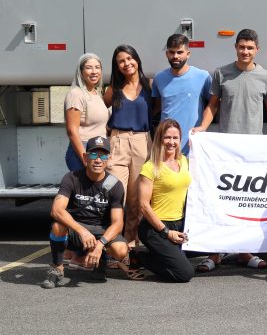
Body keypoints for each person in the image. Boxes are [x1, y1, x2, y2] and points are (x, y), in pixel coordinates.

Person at [193, 28, 267, 272]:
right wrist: (202, 127)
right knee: (222, 200)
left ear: (257, 50)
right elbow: (212, 106)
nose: (245, 51)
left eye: (250, 48)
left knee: (247, 203)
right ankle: (215, 253)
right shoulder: (221, 73)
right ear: (235, 47)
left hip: (253, 151)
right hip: (225, 150)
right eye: (241, 47)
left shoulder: (266, 77)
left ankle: (245, 252)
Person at [41, 136, 132, 289]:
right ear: (85, 156)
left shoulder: (115, 185)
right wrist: (81, 231)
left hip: (101, 231)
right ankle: (57, 267)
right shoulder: (71, 178)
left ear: (108, 159)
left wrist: (100, 244)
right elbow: (56, 210)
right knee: (57, 227)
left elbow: (118, 223)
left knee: (121, 250)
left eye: (103, 155)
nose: (98, 160)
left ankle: (101, 259)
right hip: (77, 229)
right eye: (93, 154)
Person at [134, 119, 194, 283]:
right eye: (167, 138)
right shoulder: (150, 167)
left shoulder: (185, 162)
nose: (172, 142)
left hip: (180, 224)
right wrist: (166, 233)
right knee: (185, 273)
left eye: (176, 138)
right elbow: (143, 206)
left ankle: (163, 255)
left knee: (206, 247)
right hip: (156, 228)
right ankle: (137, 256)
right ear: (160, 138)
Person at [103, 45, 152, 244]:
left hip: (142, 142)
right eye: (121, 61)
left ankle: (130, 245)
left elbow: (155, 110)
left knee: (135, 199)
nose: (126, 63)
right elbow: (98, 113)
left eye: (129, 58)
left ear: (137, 60)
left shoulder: (150, 85)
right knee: (113, 194)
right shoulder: (112, 90)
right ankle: (109, 244)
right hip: (118, 142)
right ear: (117, 66)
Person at [152, 34, 211, 157]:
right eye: (172, 52)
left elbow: (213, 105)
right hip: (166, 145)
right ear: (166, 54)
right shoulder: (159, 78)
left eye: (180, 52)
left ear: (188, 54)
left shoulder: (202, 76)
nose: (175, 56)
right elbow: (158, 107)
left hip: (191, 145)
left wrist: (203, 127)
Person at [64, 53, 109, 171]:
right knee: (84, 188)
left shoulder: (95, 93)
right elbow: (72, 130)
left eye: (97, 67)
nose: (94, 71)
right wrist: (85, 158)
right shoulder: (76, 94)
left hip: (99, 148)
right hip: (85, 150)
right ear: (81, 71)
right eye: (89, 68)